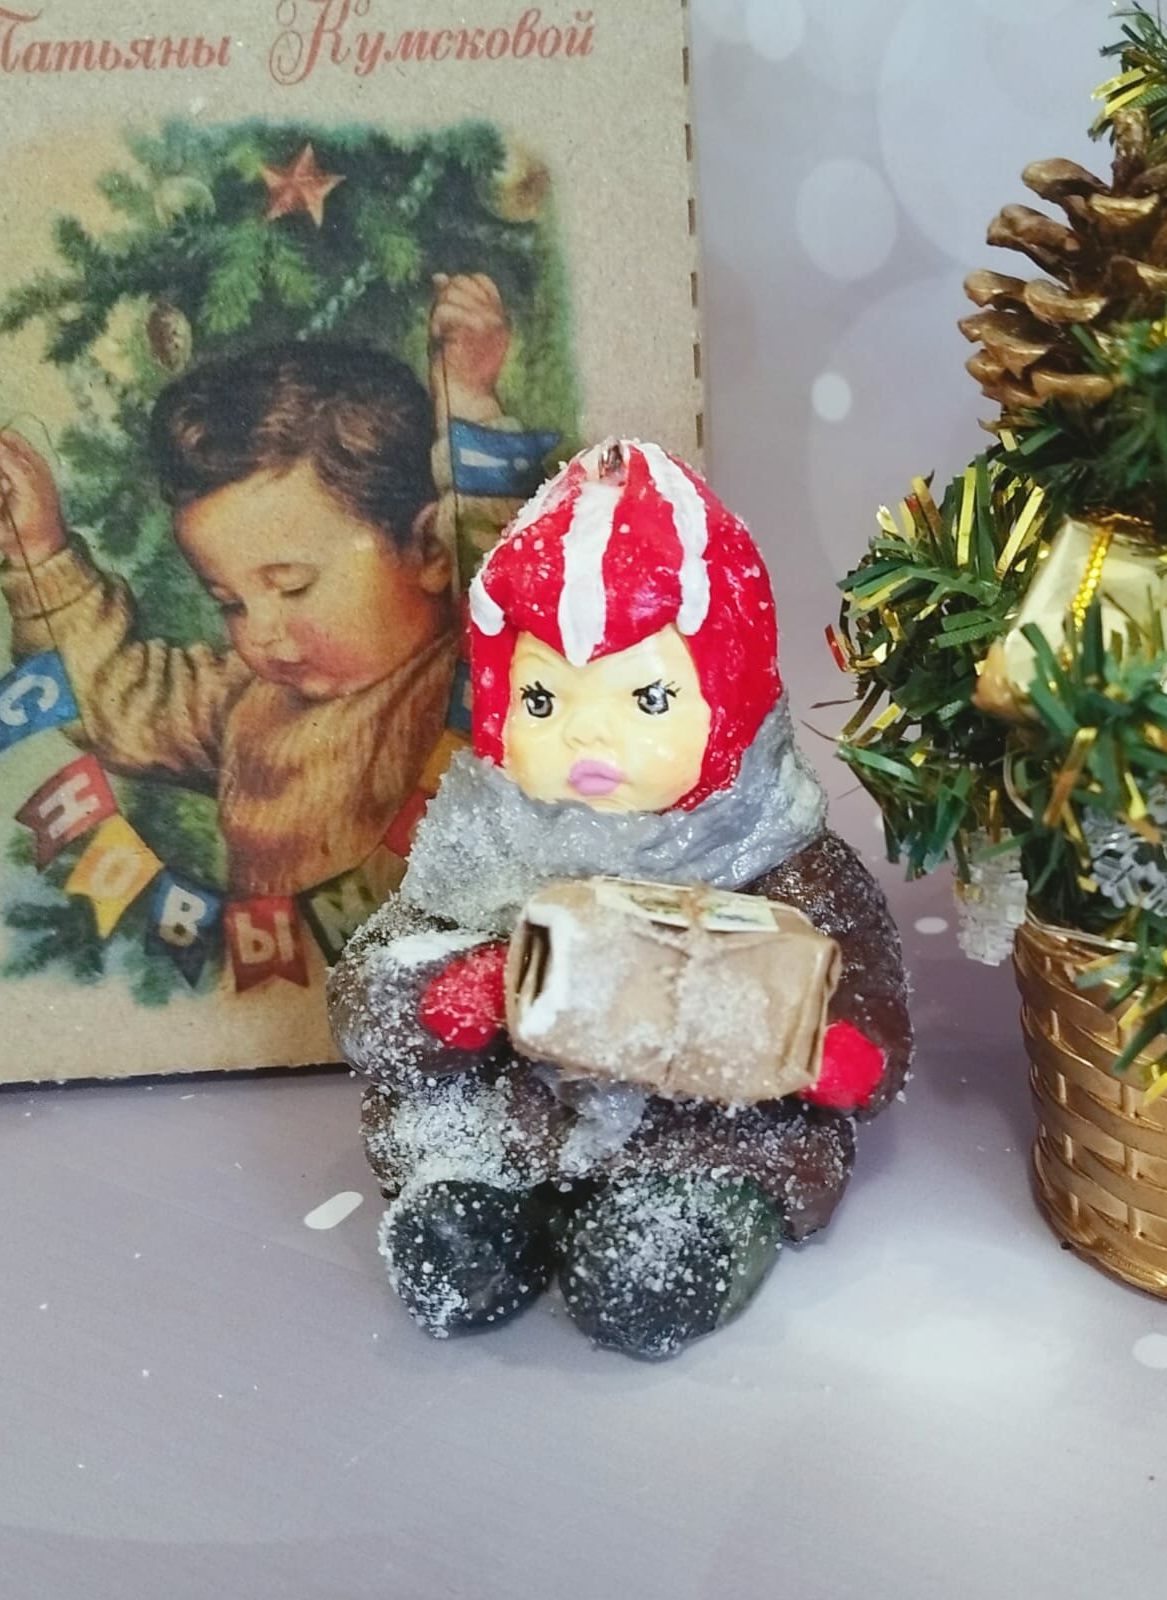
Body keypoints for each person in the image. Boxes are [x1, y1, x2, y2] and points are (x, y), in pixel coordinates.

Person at [329, 438, 913, 1359]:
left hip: (698, 1131)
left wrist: (827, 1052)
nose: (584, 737)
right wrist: (450, 995)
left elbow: (865, 1001)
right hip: (512, 1115)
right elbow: (371, 989)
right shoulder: (480, 844)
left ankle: (678, 1239)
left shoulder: (778, 858)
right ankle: (476, 1216)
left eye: (646, 700)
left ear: (723, 698)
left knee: (665, 1242)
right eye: (543, 701)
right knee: (450, 1162)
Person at [0, 275, 515, 899]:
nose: (261, 632)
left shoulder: (461, 675)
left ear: (428, 549)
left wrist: (470, 405)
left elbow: (515, 580)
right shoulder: (249, 701)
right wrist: (39, 552)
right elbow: (116, 699)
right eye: (231, 603)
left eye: (293, 587)